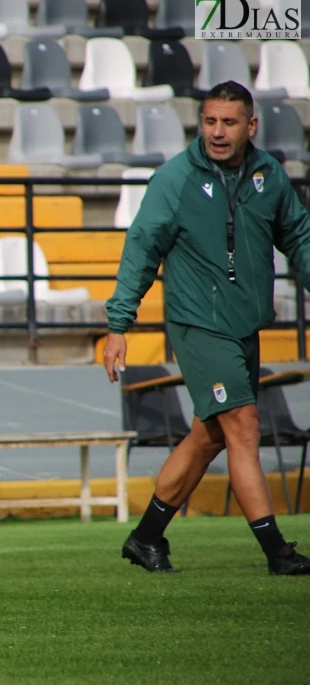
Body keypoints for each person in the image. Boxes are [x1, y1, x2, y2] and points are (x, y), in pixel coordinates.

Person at [104, 80, 310, 576]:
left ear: (251, 125)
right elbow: (141, 248)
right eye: (210, 121)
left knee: (209, 436)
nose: (217, 133)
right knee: (243, 426)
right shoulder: (175, 179)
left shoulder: (269, 176)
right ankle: (278, 552)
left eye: (229, 122)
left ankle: (146, 538)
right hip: (198, 323)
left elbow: (299, 238)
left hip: (244, 326)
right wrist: (118, 324)